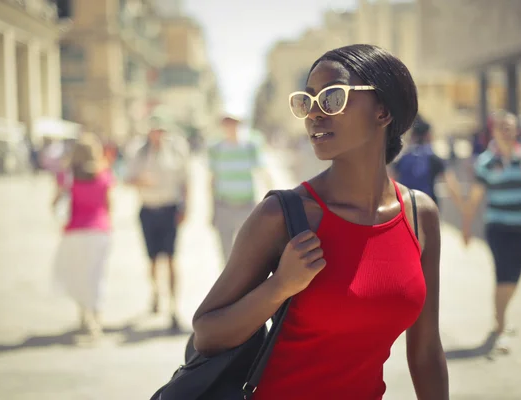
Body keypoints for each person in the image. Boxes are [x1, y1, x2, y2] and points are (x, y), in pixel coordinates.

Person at [192, 44, 448, 399]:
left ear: (383, 110)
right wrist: (280, 286)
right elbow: (206, 334)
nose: (314, 113)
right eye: (306, 101)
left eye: (331, 98)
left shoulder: (420, 216)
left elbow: (425, 351)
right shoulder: (282, 215)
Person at [463, 110, 521, 352]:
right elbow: (475, 198)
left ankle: (501, 317)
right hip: (497, 227)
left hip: (520, 226)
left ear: (516, 130)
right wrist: (466, 228)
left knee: (515, 276)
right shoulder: (486, 162)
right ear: (495, 131)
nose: (507, 132)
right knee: (502, 275)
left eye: (510, 128)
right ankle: (500, 328)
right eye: (502, 128)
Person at [126, 114, 189, 329]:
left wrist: (185, 206)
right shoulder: (138, 151)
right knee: (152, 260)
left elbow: (185, 180)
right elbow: (127, 179)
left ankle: (173, 306)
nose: (158, 134)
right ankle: (156, 294)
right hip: (148, 209)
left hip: (169, 208)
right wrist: (140, 181)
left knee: (172, 259)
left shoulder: (176, 149)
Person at [51, 133, 113, 340]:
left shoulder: (67, 176)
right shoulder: (103, 174)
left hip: (74, 231)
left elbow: (55, 203)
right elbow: (108, 205)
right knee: (96, 275)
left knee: (78, 274)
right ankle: (97, 318)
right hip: (99, 230)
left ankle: (83, 315)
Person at [208, 115, 268, 264]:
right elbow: (211, 180)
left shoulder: (250, 146)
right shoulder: (216, 148)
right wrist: (212, 208)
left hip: (247, 206)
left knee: (249, 251)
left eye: (234, 123)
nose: (230, 127)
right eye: (227, 124)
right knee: (226, 253)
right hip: (224, 205)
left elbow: (262, 172)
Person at [392, 119, 463, 210]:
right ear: (428, 136)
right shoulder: (433, 158)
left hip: (404, 207)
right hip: (427, 208)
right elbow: (450, 183)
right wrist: (462, 207)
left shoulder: (403, 158)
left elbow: (391, 181)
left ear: (413, 136)